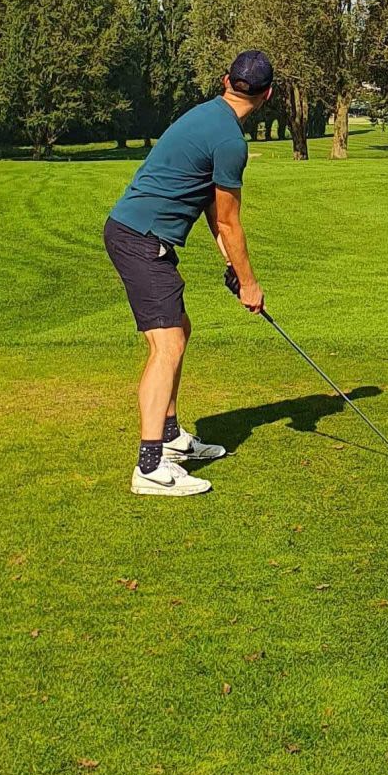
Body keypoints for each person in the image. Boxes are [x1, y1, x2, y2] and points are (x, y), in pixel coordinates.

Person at [103, 50, 274, 497]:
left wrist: (232, 268)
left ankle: (172, 435)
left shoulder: (204, 116)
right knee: (168, 344)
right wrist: (250, 283)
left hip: (132, 232)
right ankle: (150, 464)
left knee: (180, 327)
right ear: (267, 95)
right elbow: (228, 222)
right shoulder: (231, 143)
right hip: (140, 239)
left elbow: (209, 210)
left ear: (226, 81)